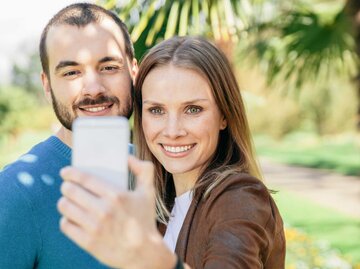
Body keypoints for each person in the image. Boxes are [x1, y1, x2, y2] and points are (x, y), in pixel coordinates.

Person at [58, 36, 286, 269]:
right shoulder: (161, 208)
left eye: (193, 109)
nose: (172, 131)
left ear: (224, 115)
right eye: (156, 110)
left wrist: (154, 259)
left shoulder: (240, 198)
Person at [0, 3, 137, 268]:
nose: (93, 88)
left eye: (108, 67)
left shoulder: (161, 172)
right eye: (71, 72)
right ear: (47, 85)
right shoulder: (15, 193)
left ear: (133, 71)